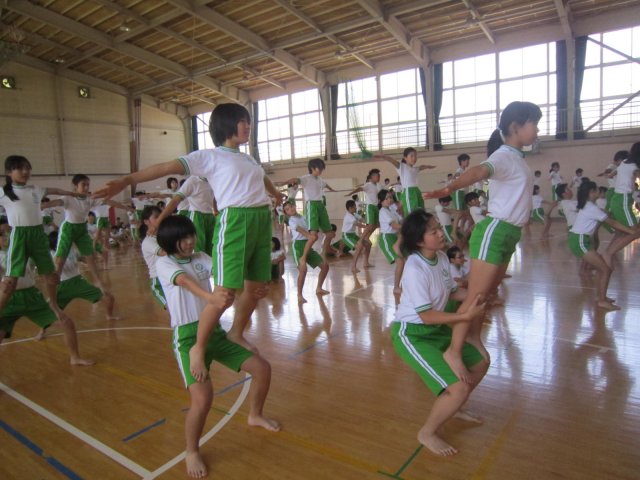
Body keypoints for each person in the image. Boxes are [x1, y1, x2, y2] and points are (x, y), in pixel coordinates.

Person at [94, 103, 283, 381]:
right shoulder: (208, 157)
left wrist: (276, 194)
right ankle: (198, 346)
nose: (248, 126)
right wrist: (127, 180)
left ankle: (235, 333)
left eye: (248, 121)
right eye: (244, 121)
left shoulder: (249, 159)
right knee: (224, 293)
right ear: (228, 125)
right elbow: (165, 166)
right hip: (236, 222)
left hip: (261, 220)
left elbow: (262, 178)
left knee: (256, 288)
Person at [423, 101, 542, 382]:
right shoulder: (503, 156)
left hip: (509, 233)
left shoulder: (516, 158)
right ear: (516, 127)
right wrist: (450, 187)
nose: (537, 129)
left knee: (485, 296)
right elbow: (479, 171)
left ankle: (473, 338)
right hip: (495, 232)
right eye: (533, 123)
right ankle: (453, 350)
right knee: (476, 296)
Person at [155, 215, 280, 478]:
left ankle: (255, 415)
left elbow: (230, 274)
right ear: (170, 242)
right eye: (183, 239)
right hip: (188, 339)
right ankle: (192, 451)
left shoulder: (201, 257)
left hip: (215, 332)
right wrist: (209, 296)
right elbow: (184, 282)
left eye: (191, 236)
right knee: (202, 400)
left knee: (262, 368)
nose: (190, 242)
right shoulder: (164, 262)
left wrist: (255, 288)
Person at [390, 209, 488, 456]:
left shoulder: (442, 258)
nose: (440, 233)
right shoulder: (414, 268)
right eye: (433, 231)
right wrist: (464, 316)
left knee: (480, 362)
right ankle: (427, 433)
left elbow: (451, 293)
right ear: (420, 241)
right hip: (412, 334)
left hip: (435, 329)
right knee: (459, 387)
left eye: (438, 227)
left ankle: (455, 405)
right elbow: (426, 314)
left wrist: (478, 295)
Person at [0, 155, 85, 322]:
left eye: (27, 168)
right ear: (9, 172)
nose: (25, 171)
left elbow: (56, 191)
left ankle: (53, 304)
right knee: (10, 282)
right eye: (20, 168)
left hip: (38, 235)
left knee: (51, 276)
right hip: (19, 235)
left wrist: (73, 193)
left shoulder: (35, 190)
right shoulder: (4, 193)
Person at [0, 226, 94, 365]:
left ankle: (75, 358)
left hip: (32, 296)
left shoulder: (18, 249)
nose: (5, 237)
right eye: (2, 235)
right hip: (9, 299)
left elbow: (38, 265)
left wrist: (51, 275)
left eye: (5, 235)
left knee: (66, 323)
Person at [49, 174, 127, 291]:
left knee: (90, 256)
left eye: (87, 185)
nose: (86, 187)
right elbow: (56, 202)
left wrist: (125, 207)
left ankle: (98, 282)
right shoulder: (68, 198)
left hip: (81, 229)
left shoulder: (89, 199)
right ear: (75, 186)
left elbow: (108, 201)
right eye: (83, 185)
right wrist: (42, 206)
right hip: (68, 229)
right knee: (61, 258)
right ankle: (56, 282)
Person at [569, 181, 638, 310]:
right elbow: (612, 222)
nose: (599, 193)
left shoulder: (589, 205)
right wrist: (631, 231)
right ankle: (601, 300)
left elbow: (608, 217)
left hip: (581, 240)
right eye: (597, 190)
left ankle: (601, 297)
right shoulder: (591, 208)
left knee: (605, 269)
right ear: (591, 193)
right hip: (579, 241)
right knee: (605, 269)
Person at [277, 159, 337, 260]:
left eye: (322, 168)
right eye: (320, 168)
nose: (321, 170)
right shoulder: (306, 178)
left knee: (330, 233)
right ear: (312, 168)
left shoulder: (320, 179)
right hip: (312, 205)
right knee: (313, 235)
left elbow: (325, 184)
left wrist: (332, 190)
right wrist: (282, 183)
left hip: (320, 205)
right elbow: (294, 179)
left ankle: (325, 251)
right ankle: (304, 257)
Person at [155, 176, 217, 255]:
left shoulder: (212, 180)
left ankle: (209, 265)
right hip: (197, 215)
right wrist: (159, 221)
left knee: (212, 245)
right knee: (198, 246)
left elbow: (214, 198)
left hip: (210, 215)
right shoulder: (193, 180)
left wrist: (216, 210)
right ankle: (197, 266)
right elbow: (175, 200)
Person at [283, 201, 329, 304]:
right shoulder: (291, 221)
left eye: (291, 206)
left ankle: (319, 288)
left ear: (295, 206)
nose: (291, 209)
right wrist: (311, 237)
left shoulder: (303, 217)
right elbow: (302, 232)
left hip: (308, 245)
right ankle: (299, 295)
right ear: (286, 213)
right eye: (287, 209)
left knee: (325, 266)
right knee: (303, 270)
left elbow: (312, 229)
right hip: (298, 246)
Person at [603, 142, 640, 267]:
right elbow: (637, 174)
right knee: (635, 232)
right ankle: (608, 253)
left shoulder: (624, 163)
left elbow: (613, 172)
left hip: (619, 200)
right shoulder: (634, 166)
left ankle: (607, 254)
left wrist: (610, 174)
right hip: (622, 201)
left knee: (621, 232)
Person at [375, 147, 435, 214]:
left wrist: (428, 166)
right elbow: (392, 160)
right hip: (409, 192)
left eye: (415, 156)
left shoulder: (415, 169)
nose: (414, 158)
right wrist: (384, 157)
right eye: (411, 156)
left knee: (421, 211)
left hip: (416, 191)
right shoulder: (402, 167)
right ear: (405, 158)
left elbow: (421, 167)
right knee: (412, 213)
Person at [377, 189, 405, 295]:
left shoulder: (391, 211)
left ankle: (404, 284)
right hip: (386, 239)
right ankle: (396, 287)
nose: (389, 200)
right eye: (387, 198)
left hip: (395, 237)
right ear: (381, 201)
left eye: (390, 197)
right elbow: (395, 226)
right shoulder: (383, 211)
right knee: (400, 262)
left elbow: (402, 221)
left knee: (406, 261)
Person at [140, 205, 167, 309]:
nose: (160, 219)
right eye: (156, 217)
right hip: (158, 280)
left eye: (161, 216)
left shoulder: (163, 236)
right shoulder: (148, 241)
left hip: (170, 276)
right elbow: (165, 252)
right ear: (146, 221)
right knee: (171, 308)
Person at [346, 169, 381, 247]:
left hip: (375, 206)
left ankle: (367, 237)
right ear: (371, 177)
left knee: (376, 224)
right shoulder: (368, 184)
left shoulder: (377, 185)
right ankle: (361, 239)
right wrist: (350, 193)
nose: (378, 177)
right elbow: (359, 189)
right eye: (377, 176)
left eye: (379, 176)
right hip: (370, 207)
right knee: (370, 225)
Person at [341, 199, 371, 273]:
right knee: (359, 247)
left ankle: (366, 262)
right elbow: (357, 224)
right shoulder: (348, 216)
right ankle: (353, 267)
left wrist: (369, 222)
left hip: (353, 235)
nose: (356, 208)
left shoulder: (354, 214)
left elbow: (362, 220)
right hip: (346, 235)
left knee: (368, 244)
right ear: (350, 208)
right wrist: (366, 227)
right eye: (354, 207)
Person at [542, 161, 564, 236]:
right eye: (555, 167)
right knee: (555, 200)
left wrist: (561, 178)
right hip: (556, 187)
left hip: (559, 186)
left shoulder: (558, 173)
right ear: (552, 168)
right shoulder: (553, 173)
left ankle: (559, 210)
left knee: (560, 200)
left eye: (557, 167)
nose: (556, 168)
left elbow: (559, 177)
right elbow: (550, 177)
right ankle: (547, 213)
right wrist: (549, 178)